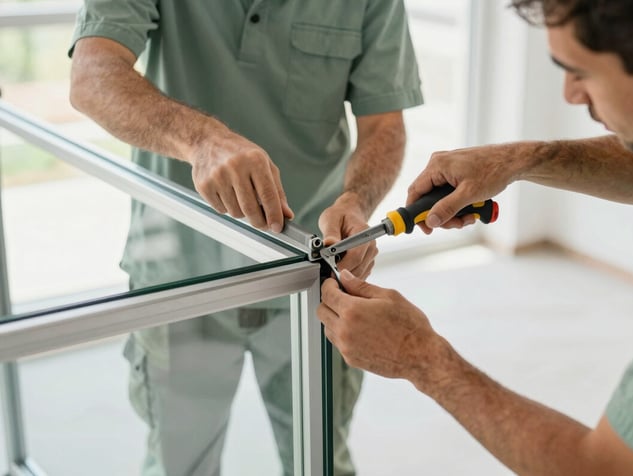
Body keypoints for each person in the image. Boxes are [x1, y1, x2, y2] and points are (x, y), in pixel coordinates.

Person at [318, 0, 633, 474]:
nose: (571, 94)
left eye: (580, 72)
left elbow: (611, 470)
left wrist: (418, 356)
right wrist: (523, 159)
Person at [67, 1, 422, 475]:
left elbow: (385, 124)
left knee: (320, 462)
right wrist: (201, 140)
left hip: (314, 282)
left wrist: (356, 202)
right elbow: (91, 76)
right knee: (179, 466)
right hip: (182, 275)